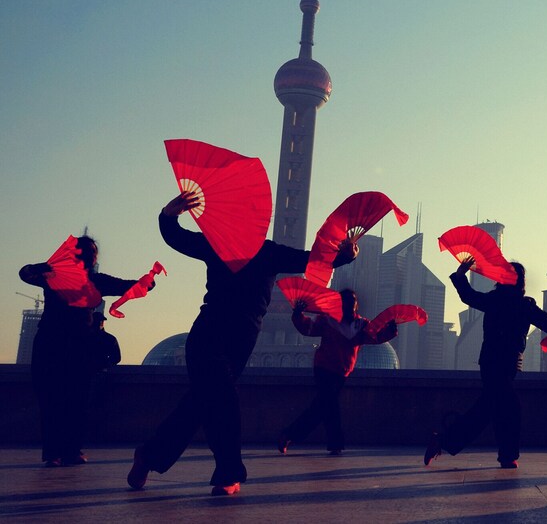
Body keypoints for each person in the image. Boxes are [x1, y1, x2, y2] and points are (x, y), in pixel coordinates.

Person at [127, 192, 358, 496]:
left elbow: (311, 258)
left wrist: (345, 255)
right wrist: (168, 215)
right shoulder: (218, 244)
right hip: (208, 336)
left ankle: (149, 455)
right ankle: (228, 472)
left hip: (241, 344)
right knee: (223, 400)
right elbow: (177, 238)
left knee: (197, 406)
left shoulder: (269, 252)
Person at [424, 257, 547, 469]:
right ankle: (505, 455)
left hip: (498, 363)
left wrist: (460, 274)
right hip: (500, 363)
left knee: (491, 408)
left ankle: (447, 441)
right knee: (508, 408)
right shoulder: (514, 303)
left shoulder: (508, 302)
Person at [20, 236, 138, 467]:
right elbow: (25, 273)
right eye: (89, 252)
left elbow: (127, 286)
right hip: (66, 345)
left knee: (66, 399)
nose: (91, 256)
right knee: (66, 399)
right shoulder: (57, 276)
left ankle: (59, 452)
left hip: (64, 344)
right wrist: (146, 282)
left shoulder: (79, 279)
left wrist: (146, 281)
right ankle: (65, 451)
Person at [278, 288, 397, 455]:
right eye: (346, 304)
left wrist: (390, 330)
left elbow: (376, 336)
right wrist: (298, 315)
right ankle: (334, 443)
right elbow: (308, 328)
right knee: (329, 405)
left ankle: (288, 435)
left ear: (356, 305)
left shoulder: (361, 325)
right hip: (324, 368)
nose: (349, 307)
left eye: (352, 304)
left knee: (320, 408)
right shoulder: (328, 320)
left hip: (341, 373)